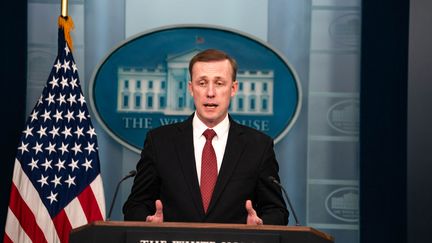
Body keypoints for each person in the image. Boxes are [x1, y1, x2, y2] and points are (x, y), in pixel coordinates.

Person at [123, 49, 288, 225]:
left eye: (219, 83)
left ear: (233, 89)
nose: (210, 92)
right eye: (202, 83)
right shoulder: (159, 142)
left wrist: (260, 225)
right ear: (191, 88)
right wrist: (148, 222)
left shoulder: (258, 146)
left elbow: (277, 210)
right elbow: (135, 205)